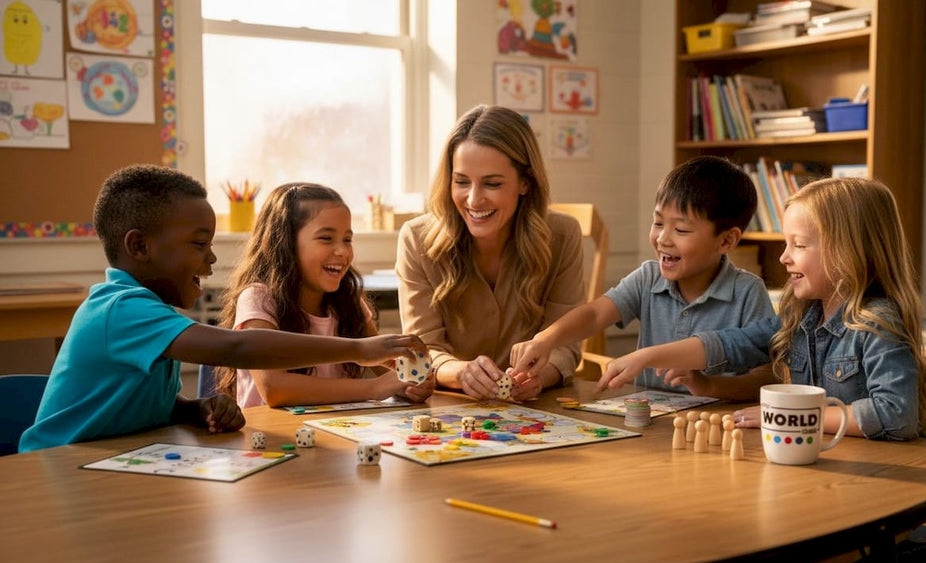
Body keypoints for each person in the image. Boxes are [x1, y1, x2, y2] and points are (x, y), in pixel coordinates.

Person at [19, 165, 428, 452]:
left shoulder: (149, 313)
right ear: (139, 247)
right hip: (53, 468)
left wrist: (194, 409)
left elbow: (131, 407)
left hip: (106, 462)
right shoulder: (119, 310)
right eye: (199, 245)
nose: (211, 260)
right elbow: (236, 348)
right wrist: (359, 349)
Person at [596, 177, 926, 440]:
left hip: (874, 480)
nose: (784, 257)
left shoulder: (877, 323)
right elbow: (735, 343)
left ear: (848, 252)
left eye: (799, 245)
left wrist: (786, 415)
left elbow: (896, 414)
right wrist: (649, 357)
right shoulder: (801, 314)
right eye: (785, 243)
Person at [511, 156, 776, 394]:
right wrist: (545, 339)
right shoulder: (648, 278)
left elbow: (765, 381)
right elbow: (594, 314)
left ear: (727, 241)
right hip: (648, 421)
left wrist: (708, 385)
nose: (662, 238)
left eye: (681, 230)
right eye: (658, 222)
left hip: (713, 428)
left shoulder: (747, 292)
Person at [395, 104, 585, 401]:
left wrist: (538, 378)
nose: (473, 199)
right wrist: (460, 372)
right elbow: (423, 349)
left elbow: (565, 343)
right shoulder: (416, 240)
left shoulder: (563, 235)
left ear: (525, 183)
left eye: (492, 184)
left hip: (537, 410)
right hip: (450, 408)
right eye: (461, 181)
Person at [215, 183, 434, 407]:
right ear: (286, 244)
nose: (342, 251)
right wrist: (374, 388)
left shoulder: (349, 300)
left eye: (347, 239)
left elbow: (385, 365)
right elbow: (273, 388)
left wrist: (412, 381)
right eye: (326, 238)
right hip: (272, 436)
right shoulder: (258, 299)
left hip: (334, 433)